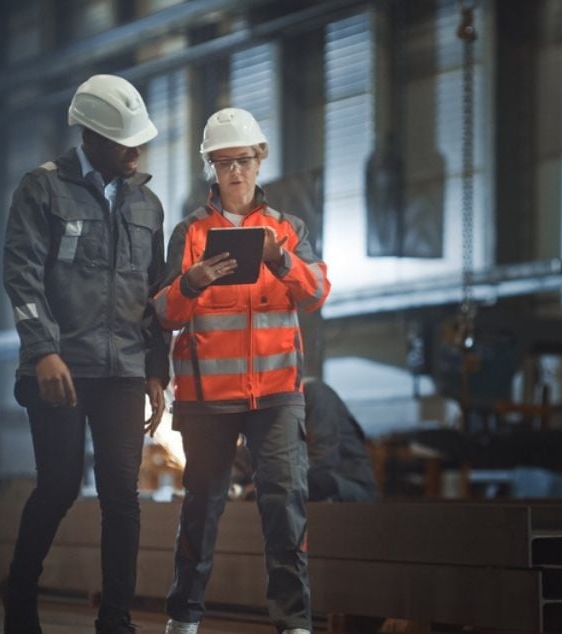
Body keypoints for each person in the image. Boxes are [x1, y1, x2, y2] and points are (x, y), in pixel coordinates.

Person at [2, 74, 169, 634]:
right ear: (92, 137)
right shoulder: (42, 190)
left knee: (123, 495)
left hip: (123, 368)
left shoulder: (147, 204)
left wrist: (155, 370)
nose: (137, 149)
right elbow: (21, 277)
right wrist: (44, 352)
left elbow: (155, 294)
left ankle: (116, 620)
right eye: (126, 141)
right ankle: (19, 601)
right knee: (60, 486)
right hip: (60, 370)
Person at [153, 107, 330, 634]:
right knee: (201, 512)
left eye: (244, 160)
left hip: (276, 393)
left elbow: (317, 292)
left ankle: (294, 624)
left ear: (261, 160)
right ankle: (182, 620)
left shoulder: (288, 230)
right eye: (224, 162)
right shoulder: (189, 234)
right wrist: (191, 282)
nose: (235, 172)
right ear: (210, 165)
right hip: (209, 399)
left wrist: (281, 262)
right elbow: (162, 312)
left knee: (285, 506)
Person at [232, 378, 378, 503]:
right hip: (290, 491)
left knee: (313, 482)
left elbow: (322, 463)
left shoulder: (315, 394)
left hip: (348, 487)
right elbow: (239, 467)